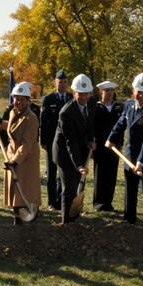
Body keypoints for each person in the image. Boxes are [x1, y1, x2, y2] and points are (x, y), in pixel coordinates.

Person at [106, 72, 143, 225]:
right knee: (130, 189)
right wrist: (111, 139)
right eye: (139, 92)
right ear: (133, 90)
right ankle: (129, 219)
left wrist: (141, 162)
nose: (141, 95)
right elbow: (121, 123)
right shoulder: (129, 105)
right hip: (130, 154)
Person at [52, 74, 96, 224]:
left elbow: (90, 124)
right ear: (74, 92)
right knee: (69, 189)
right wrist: (78, 165)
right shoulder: (66, 113)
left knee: (79, 187)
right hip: (65, 154)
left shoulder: (91, 103)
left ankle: (75, 218)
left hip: (80, 150)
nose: (84, 97)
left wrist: (91, 140)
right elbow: (70, 141)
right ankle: (67, 223)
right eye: (80, 94)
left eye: (86, 94)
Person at [1, 82, 41, 224]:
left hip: (26, 158)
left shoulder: (32, 118)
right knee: (15, 190)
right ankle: (17, 219)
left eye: (22, 99)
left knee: (26, 190)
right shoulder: (13, 112)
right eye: (16, 98)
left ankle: (30, 220)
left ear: (28, 100)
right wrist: (0, 122)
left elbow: (27, 143)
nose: (18, 102)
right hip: (13, 155)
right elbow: (14, 128)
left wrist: (15, 161)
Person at [41, 70, 71, 210]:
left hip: (67, 142)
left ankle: (60, 201)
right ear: (55, 83)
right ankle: (52, 202)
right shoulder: (48, 99)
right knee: (51, 172)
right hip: (52, 141)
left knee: (63, 173)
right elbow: (44, 121)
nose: (62, 84)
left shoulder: (71, 98)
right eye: (60, 82)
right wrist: (44, 141)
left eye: (65, 82)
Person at [92, 80, 124, 212]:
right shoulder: (96, 108)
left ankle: (108, 202)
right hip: (99, 146)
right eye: (107, 90)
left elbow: (121, 128)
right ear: (101, 92)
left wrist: (120, 143)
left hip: (114, 146)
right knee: (100, 174)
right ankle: (99, 203)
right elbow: (92, 127)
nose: (110, 93)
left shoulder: (119, 108)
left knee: (112, 174)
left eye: (112, 90)